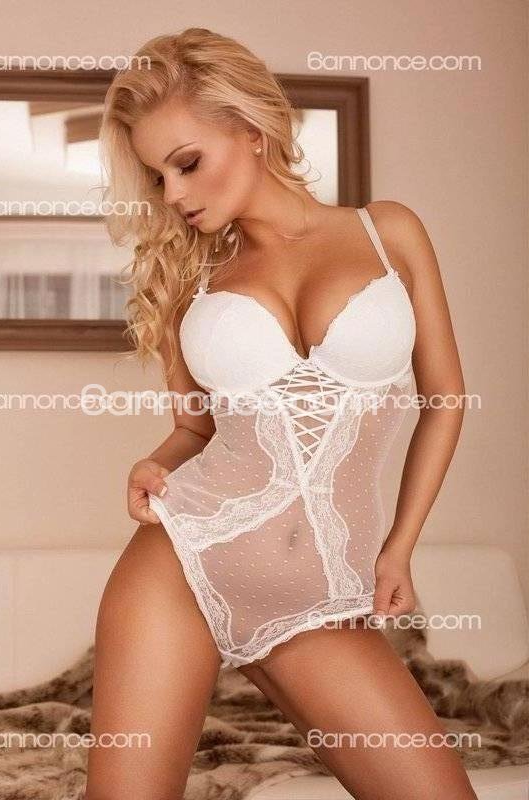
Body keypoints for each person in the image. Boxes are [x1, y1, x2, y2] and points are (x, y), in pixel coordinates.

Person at [85, 27, 476, 800]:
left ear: (252, 129)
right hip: (185, 563)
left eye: (186, 163)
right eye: (158, 177)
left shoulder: (388, 231)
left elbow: (445, 400)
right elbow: (196, 430)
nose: (174, 195)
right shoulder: (192, 283)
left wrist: (398, 550)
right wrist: (156, 463)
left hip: (321, 596)